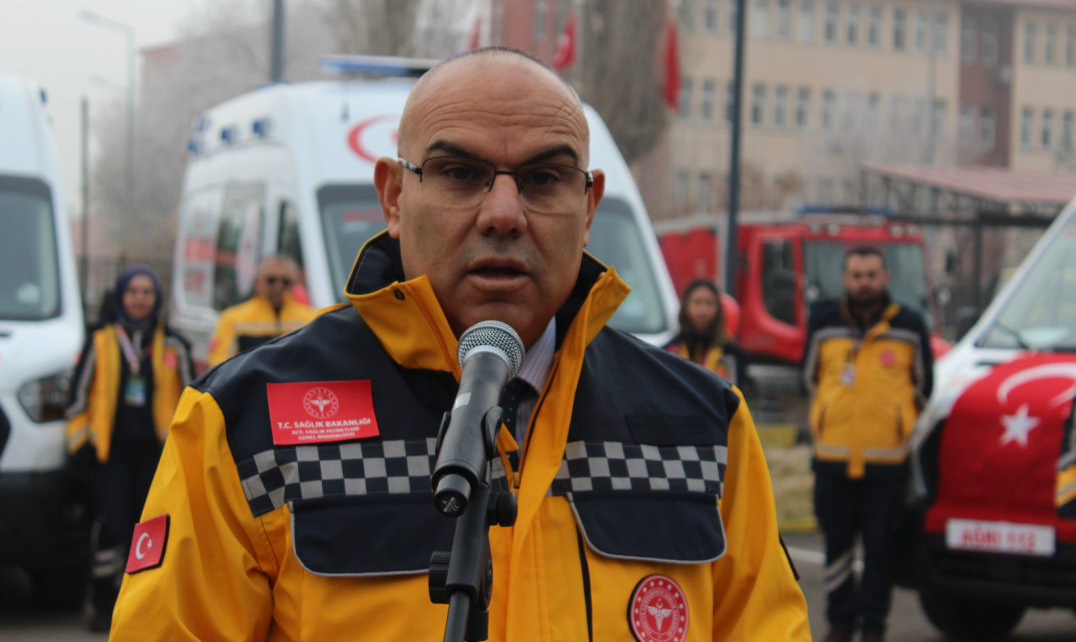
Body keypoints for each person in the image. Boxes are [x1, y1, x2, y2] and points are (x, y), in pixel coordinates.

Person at [110, 47, 809, 641]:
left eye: (542, 178)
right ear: (392, 197)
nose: (503, 214)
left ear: (589, 207)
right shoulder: (242, 425)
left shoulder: (704, 428)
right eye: (459, 173)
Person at [803, 245, 934, 642]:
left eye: (872, 275)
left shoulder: (910, 325)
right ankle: (840, 623)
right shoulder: (824, 323)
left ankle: (874, 626)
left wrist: (898, 426)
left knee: (880, 548)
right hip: (833, 458)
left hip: (886, 462)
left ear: (885, 278)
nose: (864, 283)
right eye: (857, 275)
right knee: (837, 546)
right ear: (845, 279)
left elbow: (924, 386)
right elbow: (809, 378)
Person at [65, 265, 193, 632]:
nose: (140, 298)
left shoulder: (173, 345)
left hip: (159, 457)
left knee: (151, 531)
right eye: (133, 291)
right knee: (114, 528)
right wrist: (80, 446)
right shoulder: (101, 341)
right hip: (112, 456)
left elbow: (192, 400)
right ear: (120, 296)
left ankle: (148, 605)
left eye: (147, 292)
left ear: (157, 299)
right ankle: (105, 603)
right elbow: (76, 402)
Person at [206, 255, 316, 366]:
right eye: (271, 280)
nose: (278, 286)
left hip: (293, 383)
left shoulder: (310, 318)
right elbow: (218, 360)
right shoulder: (233, 318)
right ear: (258, 281)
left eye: (286, 281)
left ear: (295, 283)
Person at [666, 277, 744, 387]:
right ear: (686, 307)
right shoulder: (671, 350)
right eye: (697, 303)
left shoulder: (731, 353)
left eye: (709, 303)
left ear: (718, 309)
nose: (703, 310)